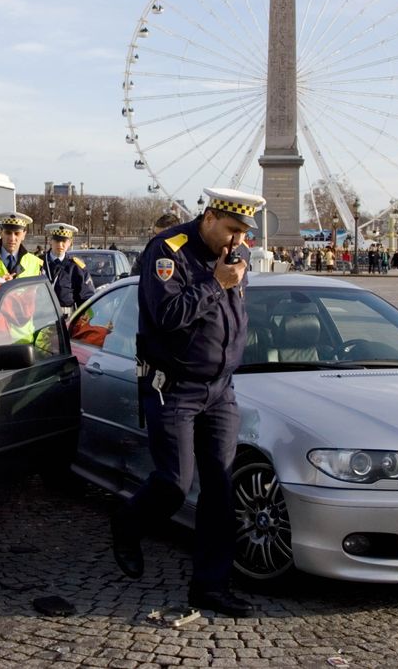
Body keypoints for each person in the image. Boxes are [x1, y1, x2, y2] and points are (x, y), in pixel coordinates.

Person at [109, 186, 263, 618]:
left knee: (220, 486)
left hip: (221, 388)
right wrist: (215, 283)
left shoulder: (238, 255)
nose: (237, 242)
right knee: (175, 482)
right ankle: (129, 522)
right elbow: (168, 316)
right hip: (173, 385)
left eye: (243, 233)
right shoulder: (168, 251)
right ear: (210, 216)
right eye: (231, 230)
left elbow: (235, 312)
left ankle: (210, 586)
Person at [41, 223, 96, 315]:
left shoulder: (76, 267)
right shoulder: (38, 262)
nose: (60, 245)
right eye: (57, 240)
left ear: (70, 243)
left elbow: (86, 297)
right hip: (39, 317)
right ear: (51, 241)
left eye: (64, 241)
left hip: (66, 319)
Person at [0, 211, 42, 280]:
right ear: (1, 233)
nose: (12, 238)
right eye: (8, 233)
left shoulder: (34, 263)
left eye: (17, 233)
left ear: (23, 235)